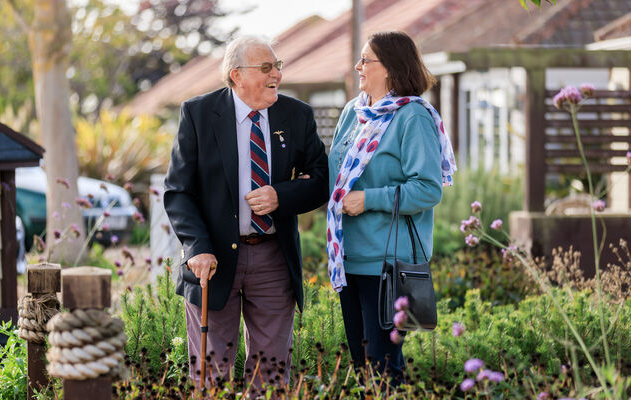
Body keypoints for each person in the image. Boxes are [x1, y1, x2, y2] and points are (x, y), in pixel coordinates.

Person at [164, 35, 329, 393]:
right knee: (211, 375)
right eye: (266, 68)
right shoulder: (198, 114)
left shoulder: (296, 115)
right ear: (236, 75)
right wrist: (197, 248)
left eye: (278, 66)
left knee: (270, 375)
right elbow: (178, 193)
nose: (277, 75)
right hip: (213, 259)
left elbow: (320, 180)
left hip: (272, 257)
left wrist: (280, 196)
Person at [326, 31, 456, 383]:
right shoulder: (354, 113)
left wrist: (369, 199)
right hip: (347, 260)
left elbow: (427, 190)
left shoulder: (413, 117)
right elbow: (333, 176)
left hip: (386, 266)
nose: (358, 66)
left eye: (366, 60)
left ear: (391, 68)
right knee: (361, 368)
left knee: (383, 371)